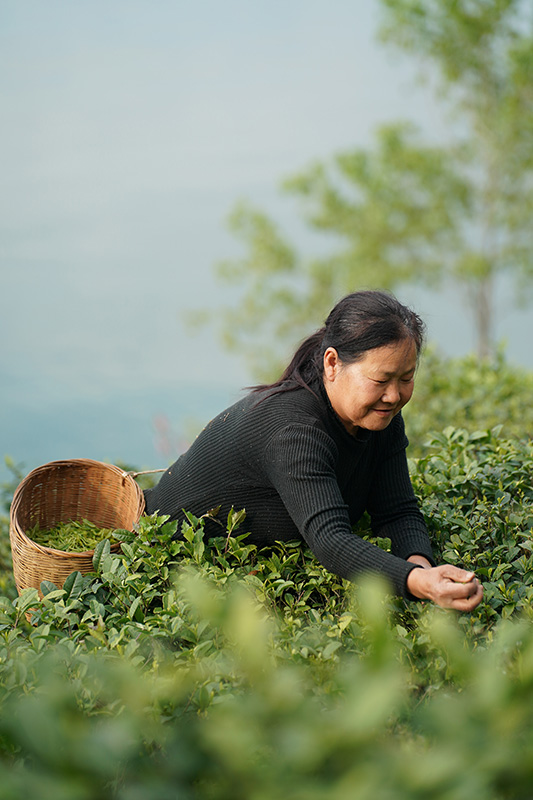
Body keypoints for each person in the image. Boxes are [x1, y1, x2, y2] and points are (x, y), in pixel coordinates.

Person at [145, 290, 482, 611]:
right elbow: (331, 541)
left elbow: (396, 510)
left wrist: (421, 567)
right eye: (381, 380)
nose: (394, 395)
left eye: (406, 378)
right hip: (161, 552)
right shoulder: (294, 430)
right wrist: (416, 583)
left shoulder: (380, 417)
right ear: (332, 363)